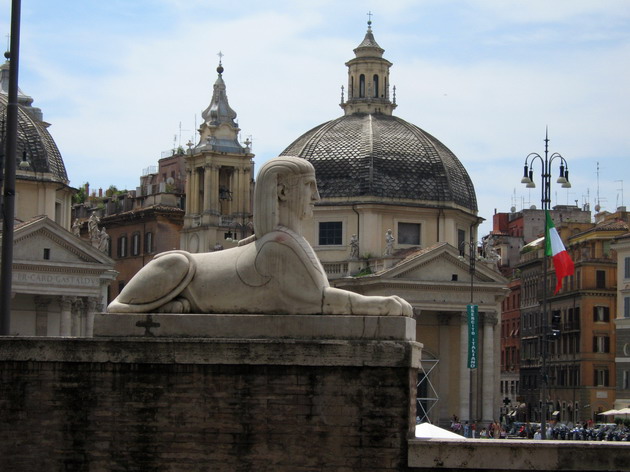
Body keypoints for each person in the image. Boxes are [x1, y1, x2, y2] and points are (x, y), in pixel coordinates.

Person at [108, 156, 413, 316]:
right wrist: (378, 304)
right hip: (183, 275)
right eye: (309, 187)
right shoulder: (277, 247)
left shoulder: (285, 243)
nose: (317, 197)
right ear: (282, 190)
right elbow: (315, 300)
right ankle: (129, 306)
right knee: (177, 262)